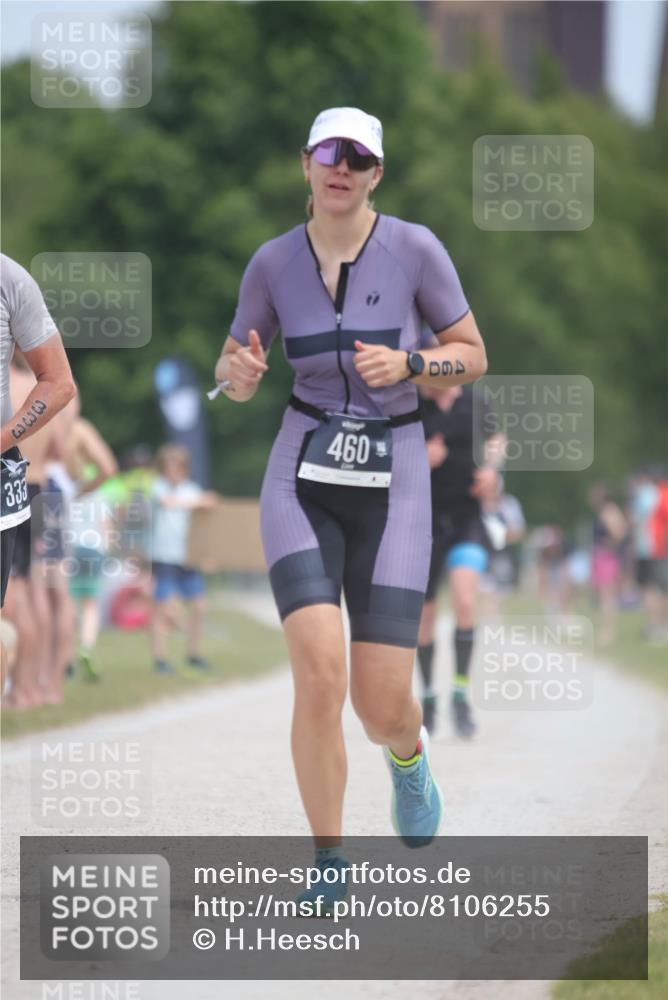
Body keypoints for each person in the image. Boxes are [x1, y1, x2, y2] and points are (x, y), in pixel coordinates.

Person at [212, 107, 487, 912]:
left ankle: (408, 757)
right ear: (306, 164)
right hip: (299, 475)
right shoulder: (270, 263)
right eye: (329, 152)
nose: (342, 166)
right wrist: (239, 375)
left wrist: (409, 359)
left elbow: (472, 353)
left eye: (359, 156)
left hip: (396, 479)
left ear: (376, 174)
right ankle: (329, 856)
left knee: (379, 703)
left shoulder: (415, 249)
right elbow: (234, 369)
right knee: (319, 675)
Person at [1, 254, 75, 705]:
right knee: (47, 596)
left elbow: (60, 385)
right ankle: (40, 686)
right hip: (46, 489)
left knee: (27, 599)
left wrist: (4, 439)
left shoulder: (11, 281)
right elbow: (70, 453)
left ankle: (31, 687)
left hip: (25, 491)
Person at [416, 383, 501, 738]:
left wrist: (493, 470)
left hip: (467, 518)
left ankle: (461, 695)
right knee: (425, 616)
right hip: (423, 521)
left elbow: (496, 438)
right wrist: (419, 456)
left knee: (466, 601)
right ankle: (429, 698)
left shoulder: (475, 399)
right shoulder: (410, 402)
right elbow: (388, 451)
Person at [150, 443, 217, 675]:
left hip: (188, 558)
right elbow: (168, 502)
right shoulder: (157, 487)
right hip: (165, 557)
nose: (173, 472)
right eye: (169, 467)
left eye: (177, 467)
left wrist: (206, 555)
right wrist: (200, 501)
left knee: (199, 606)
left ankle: (194, 653)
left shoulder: (192, 490)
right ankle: (160, 658)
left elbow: (204, 525)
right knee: (163, 608)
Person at [63, 410, 119, 680]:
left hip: (68, 545)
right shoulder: (99, 487)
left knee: (65, 603)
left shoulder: (65, 479)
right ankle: (86, 646)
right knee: (90, 604)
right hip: (93, 547)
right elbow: (106, 525)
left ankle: (65, 657)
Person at [588, 483, 627, 647]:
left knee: (607, 596)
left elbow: (620, 532)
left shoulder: (609, 511)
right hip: (602, 556)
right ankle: (606, 630)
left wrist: (609, 545)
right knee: (603, 595)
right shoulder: (604, 512)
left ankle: (608, 631)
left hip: (607, 557)